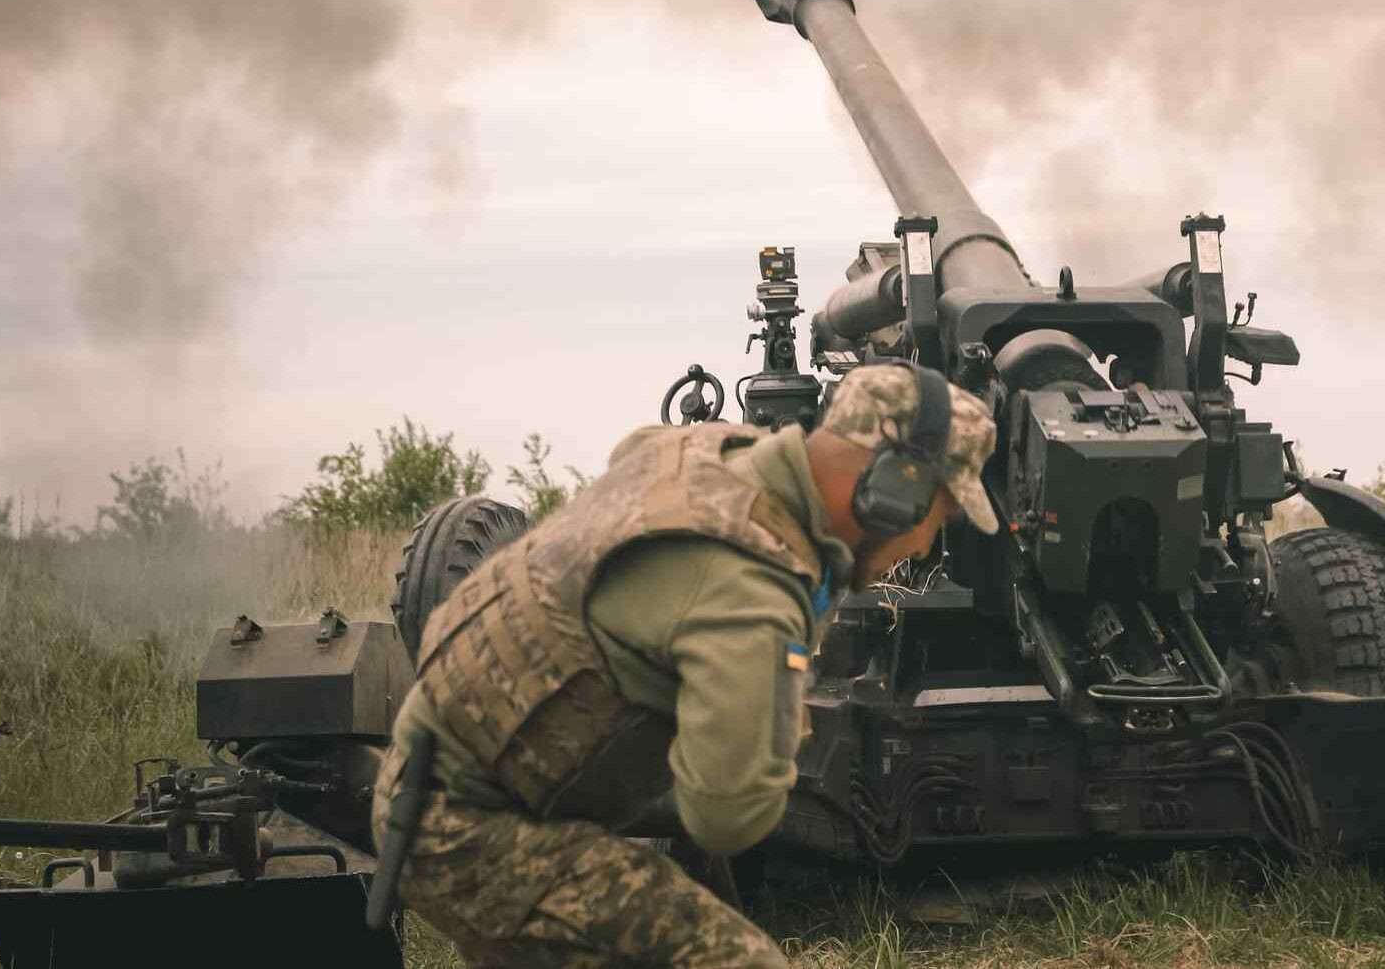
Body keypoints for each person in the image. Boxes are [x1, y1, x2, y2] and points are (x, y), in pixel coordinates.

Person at [371, 362, 997, 969]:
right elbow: (727, 816)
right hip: (465, 830)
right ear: (894, 487)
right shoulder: (754, 590)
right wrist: (776, 712)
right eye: (938, 514)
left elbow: (632, 451)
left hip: (441, 767)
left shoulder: (707, 449)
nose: (925, 544)